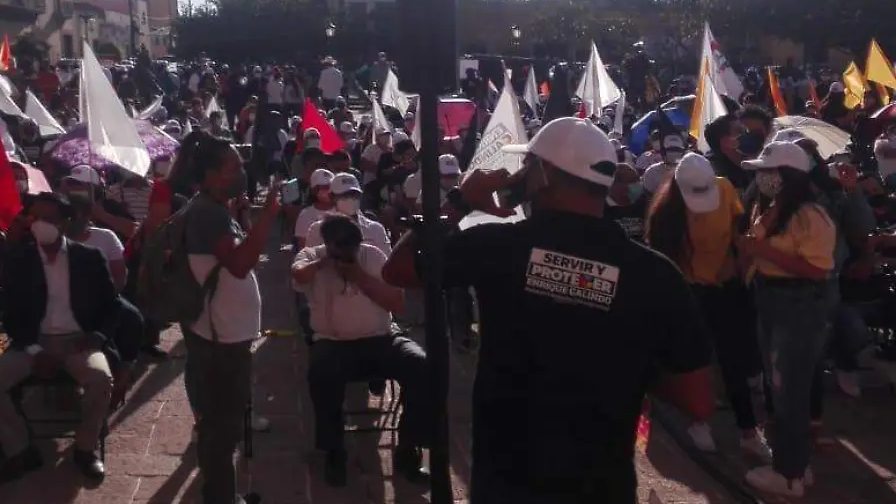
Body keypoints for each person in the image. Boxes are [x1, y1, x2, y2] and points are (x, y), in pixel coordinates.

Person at [384, 117, 714, 503]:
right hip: (603, 487)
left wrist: (456, 201)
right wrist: (627, 362)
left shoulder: (496, 247)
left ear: (543, 174)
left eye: (527, 166)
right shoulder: (656, 274)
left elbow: (398, 269)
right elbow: (698, 400)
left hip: (506, 482)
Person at [0, 193, 121, 484]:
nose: (40, 225)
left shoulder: (88, 258)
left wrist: (96, 337)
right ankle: (20, 450)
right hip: (33, 343)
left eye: (48, 219)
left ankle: (85, 450)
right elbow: (10, 316)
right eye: (35, 218)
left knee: (100, 379)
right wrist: (35, 350)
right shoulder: (19, 260)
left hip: (79, 342)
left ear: (64, 223)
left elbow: (112, 308)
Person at [645, 153, 769, 460]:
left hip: (726, 288)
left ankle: (748, 430)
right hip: (689, 293)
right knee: (693, 359)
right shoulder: (665, 215)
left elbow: (738, 226)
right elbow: (663, 262)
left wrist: (743, 256)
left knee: (732, 360)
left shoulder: (725, 188)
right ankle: (699, 421)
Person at [292, 214, 428, 486]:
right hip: (333, 342)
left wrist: (359, 277)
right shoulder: (311, 255)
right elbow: (298, 274)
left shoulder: (373, 256)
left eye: (351, 247)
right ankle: (334, 450)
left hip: (380, 337)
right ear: (328, 244)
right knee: (321, 373)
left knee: (421, 365)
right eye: (340, 248)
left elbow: (397, 304)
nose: (348, 254)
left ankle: (409, 446)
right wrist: (325, 263)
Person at [181, 133, 279, 504]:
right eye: (232, 167)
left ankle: (220, 493)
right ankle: (220, 497)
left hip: (226, 331)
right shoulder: (207, 213)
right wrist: (268, 218)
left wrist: (245, 219)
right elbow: (239, 264)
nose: (240, 172)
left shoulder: (215, 210)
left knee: (221, 421)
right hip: (219, 336)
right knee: (223, 425)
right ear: (209, 175)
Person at [737, 140, 837, 496]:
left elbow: (817, 270)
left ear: (786, 176)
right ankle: (795, 461)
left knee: (788, 391)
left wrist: (761, 251)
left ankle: (789, 475)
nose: (762, 177)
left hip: (797, 306)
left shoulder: (811, 215)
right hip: (771, 300)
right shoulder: (771, 208)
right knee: (780, 389)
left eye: (768, 171)